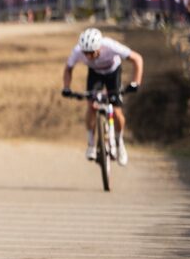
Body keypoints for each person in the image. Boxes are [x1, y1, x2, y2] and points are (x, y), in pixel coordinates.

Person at [61, 28, 143, 165]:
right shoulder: (77, 51)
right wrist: (66, 87)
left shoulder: (110, 46)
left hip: (113, 73)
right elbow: (68, 68)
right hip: (95, 74)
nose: (89, 57)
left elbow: (137, 59)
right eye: (86, 53)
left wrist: (136, 83)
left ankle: (119, 142)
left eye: (92, 53)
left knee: (117, 112)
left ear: (99, 47)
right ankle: (91, 144)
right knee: (91, 105)